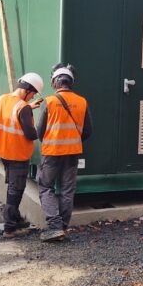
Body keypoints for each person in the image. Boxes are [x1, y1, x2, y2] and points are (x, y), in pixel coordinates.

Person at [36, 63, 92, 242]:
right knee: (67, 190)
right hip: (73, 152)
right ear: (71, 82)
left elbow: (39, 131)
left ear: (55, 83)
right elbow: (88, 131)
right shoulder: (82, 102)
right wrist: (73, 140)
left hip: (52, 152)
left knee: (45, 187)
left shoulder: (50, 101)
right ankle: (63, 227)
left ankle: (55, 226)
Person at [0, 73, 44, 239]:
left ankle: (16, 218)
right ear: (28, 90)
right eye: (33, 93)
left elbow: (9, 117)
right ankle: (9, 227)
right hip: (18, 154)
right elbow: (30, 134)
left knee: (13, 186)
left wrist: (29, 107)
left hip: (3, 150)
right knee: (16, 190)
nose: (33, 97)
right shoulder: (23, 108)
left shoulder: (2, 99)